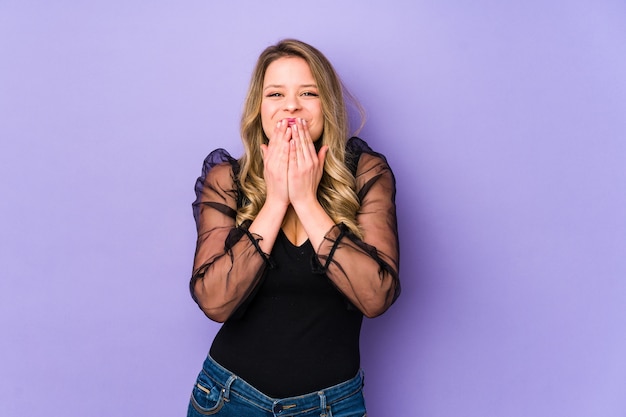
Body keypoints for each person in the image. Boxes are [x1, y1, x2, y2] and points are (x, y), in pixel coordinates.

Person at [187, 39, 400, 417]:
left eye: (308, 92)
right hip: (229, 399)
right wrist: (276, 201)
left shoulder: (366, 173)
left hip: (332, 406)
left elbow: (376, 296)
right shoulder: (227, 180)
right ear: (259, 107)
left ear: (328, 106)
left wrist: (305, 199)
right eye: (275, 93)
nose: (291, 105)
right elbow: (214, 301)